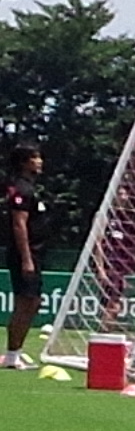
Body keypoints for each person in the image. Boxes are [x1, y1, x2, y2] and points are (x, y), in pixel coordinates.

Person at [3, 144, 48, 370]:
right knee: (26, 301)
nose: (39, 161)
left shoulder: (31, 188)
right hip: (25, 254)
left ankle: (15, 352)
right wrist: (26, 258)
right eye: (34, 158)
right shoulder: (21, 189)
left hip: (36, 252)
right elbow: (19, 225)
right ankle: (12, 355)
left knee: (34, 301)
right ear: (23, 163)